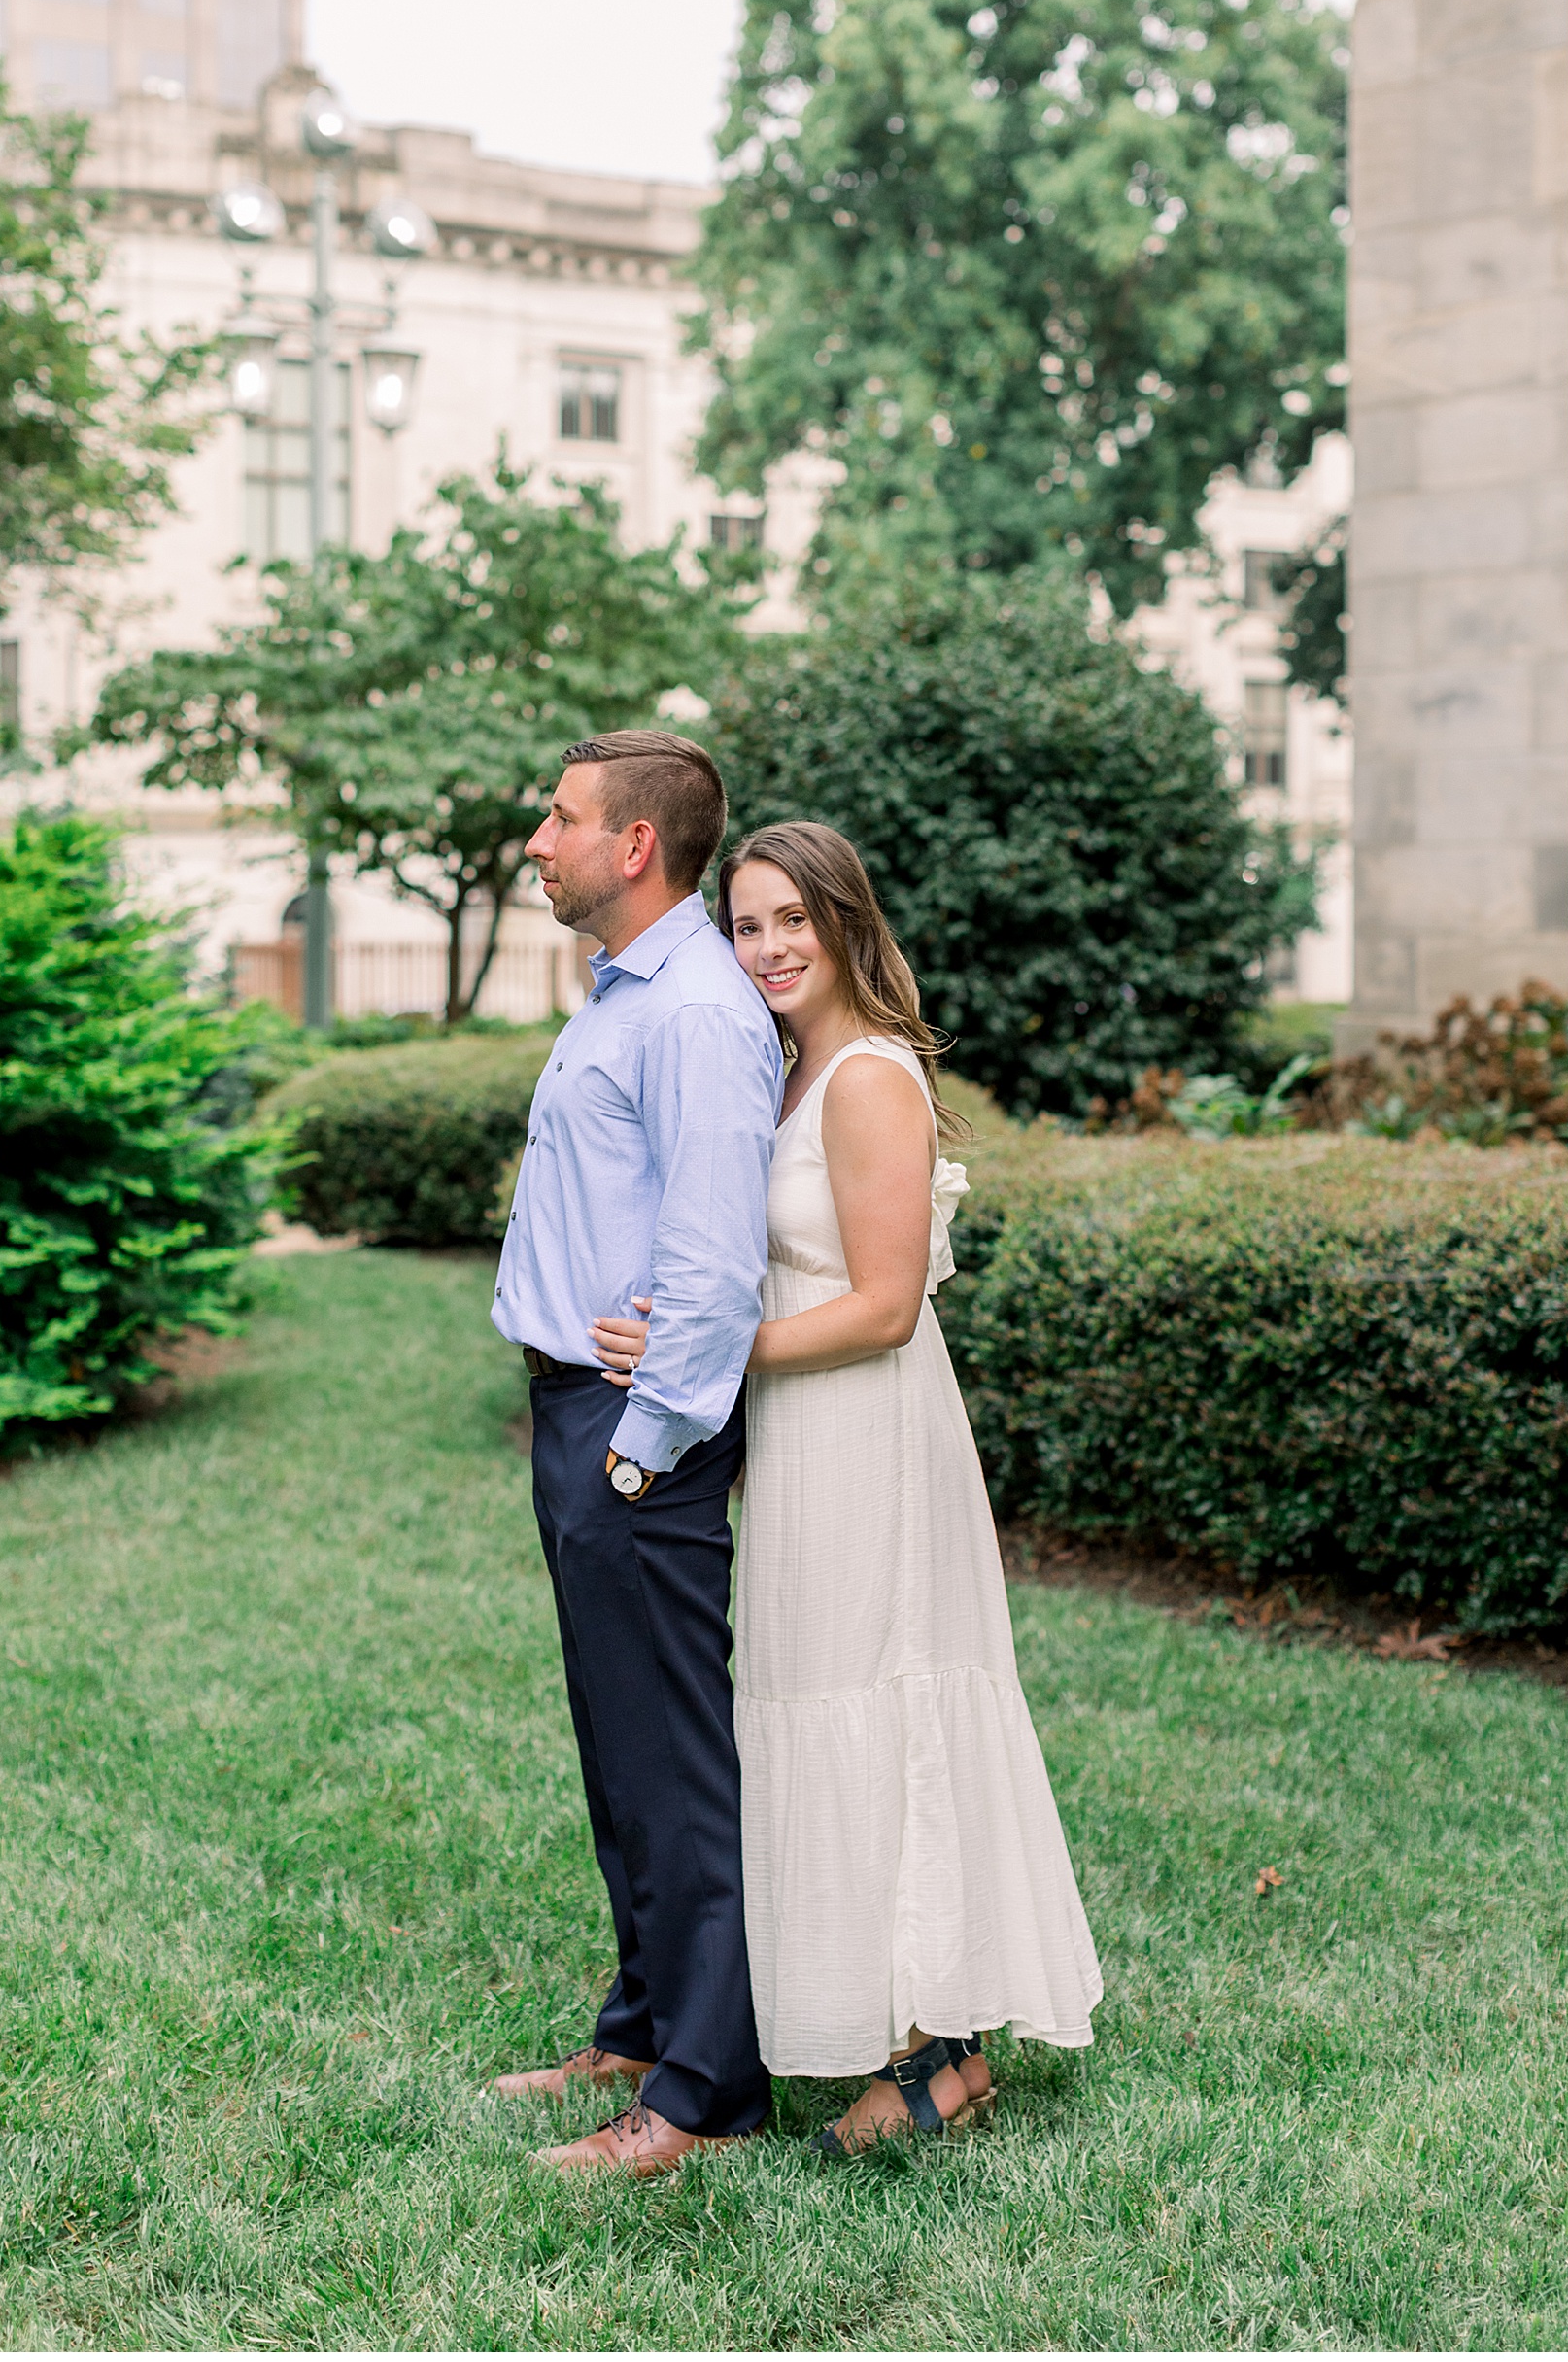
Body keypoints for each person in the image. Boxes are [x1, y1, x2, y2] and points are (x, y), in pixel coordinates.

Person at [592, 820, 1102, 2154]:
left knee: (891, 1693)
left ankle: (942, 2050)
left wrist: (710, 1351)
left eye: (789, 921)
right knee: (815, 1700)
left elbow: (881, 1308)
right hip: (803, 1432)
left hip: (870, 1425)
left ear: (845, 925)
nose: (764, 946)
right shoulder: (786, 1069)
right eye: (746, 922)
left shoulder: (870, 1076)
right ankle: (880, 2018)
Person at [489, 731, 782, 2175]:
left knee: (672, 1762)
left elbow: (717, 1264)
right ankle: (640, 2024)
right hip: (575, 1414)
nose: (538, 841)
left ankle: (706, 2087)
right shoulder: (624, 994)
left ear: (637, 846)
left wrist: (640, 1448)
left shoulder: (697, 1015)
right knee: (620, 1748)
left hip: (634, 1440)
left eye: (560, 819)